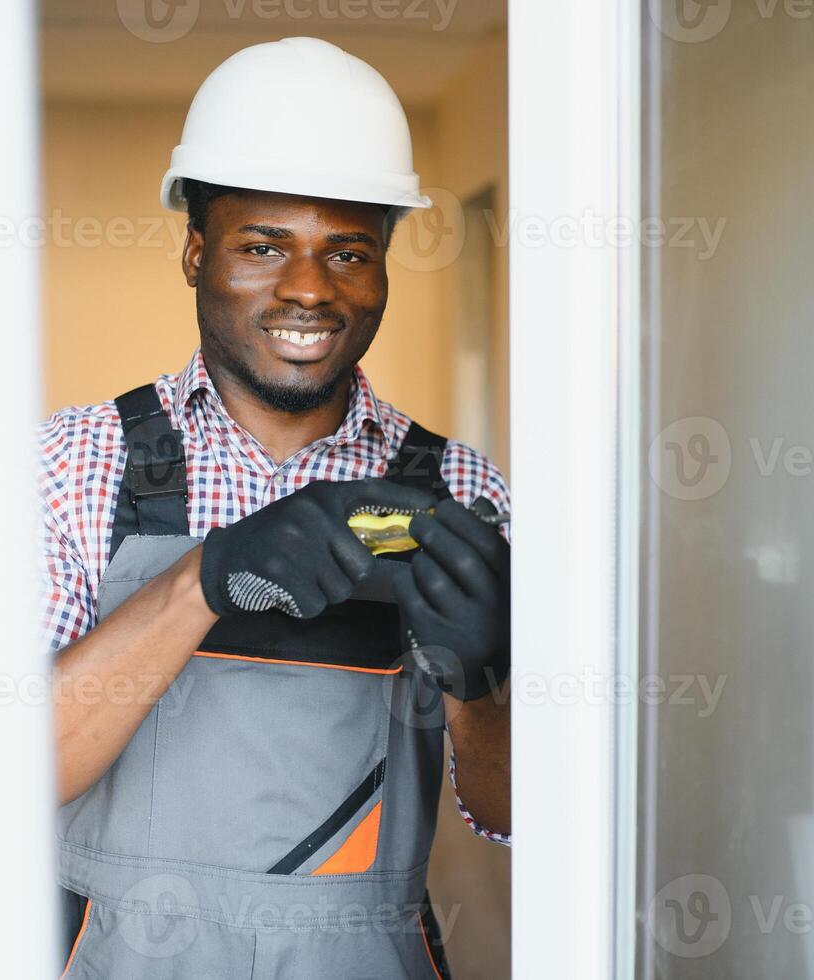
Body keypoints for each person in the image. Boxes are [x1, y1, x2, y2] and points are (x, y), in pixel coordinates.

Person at [39, 37, 510, 978]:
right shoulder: (72, 464)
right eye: (263, 246)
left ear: (383, 267)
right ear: (195, 251)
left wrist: (477, 684)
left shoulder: (465, 492)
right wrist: (199, 582)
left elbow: (513, 814)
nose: (308, 288)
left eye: (349, 252)